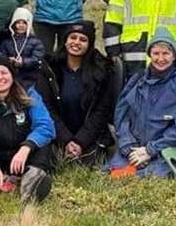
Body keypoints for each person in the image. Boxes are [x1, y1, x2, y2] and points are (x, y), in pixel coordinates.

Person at [105, 30, 176, 178]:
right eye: (156, 53)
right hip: (134, 149)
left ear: (174, 56)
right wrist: (128, 146)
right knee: (113, 175)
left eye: (166, 53)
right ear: (149, 55)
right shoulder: (137, 80)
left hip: (165, 150)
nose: (160, 58)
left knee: (147, 178)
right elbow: (122, 116)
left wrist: (150, 150)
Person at [0, 56, 56, 203]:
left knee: (44, 146)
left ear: (12, 76)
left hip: (27, 154)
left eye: (4, 72)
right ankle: (7, 179)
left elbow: (45, 126)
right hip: (0, 156)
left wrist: (26, 148)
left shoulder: (30, 95)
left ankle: (30, 185)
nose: (0, 77)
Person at [33, 22, 115, 167]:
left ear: (90, 44)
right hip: (57, 136)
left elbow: (101, 112)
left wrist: (80, 141)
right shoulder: (49, 69)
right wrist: (66, 139)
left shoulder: (102, 70)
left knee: (92, 164)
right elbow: (47, 109)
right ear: (65, 41)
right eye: (73, 37)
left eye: (83, 39)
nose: (76, 42)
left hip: (90, 137)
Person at [0, 7, 46, 78]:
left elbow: (37, 58)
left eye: (24, 23)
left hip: (31, 75)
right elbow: (2, 56)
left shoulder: (36, 41)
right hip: (11, 74)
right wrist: (9, 61)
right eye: (18, 22)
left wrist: (23, 62)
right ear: (13, 24)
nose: (21, 25)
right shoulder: (7, 41)